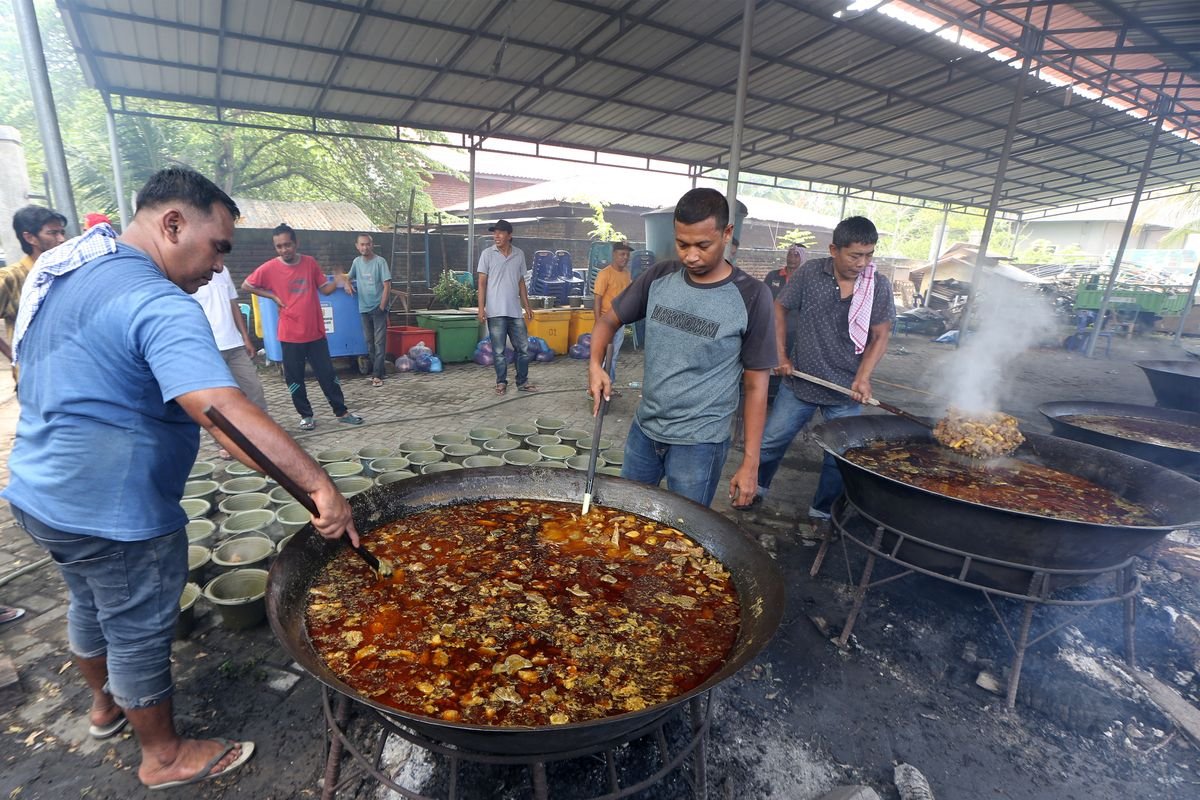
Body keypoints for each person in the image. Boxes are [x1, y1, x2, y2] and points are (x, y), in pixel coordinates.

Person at [2, 167, 358, 790]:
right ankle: (163, 756)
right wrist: (320, 488)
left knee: (89, 602)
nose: (220, 267)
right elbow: (221, 411)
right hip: (113, 511)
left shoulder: (71, 274)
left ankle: (105, 707)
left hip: (40, 492)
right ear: (173, 223)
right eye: (218, 246)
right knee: (137, 627)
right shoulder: (156, 299)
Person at [587, 188, 776, 508]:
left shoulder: (752, 296)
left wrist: (750, 463)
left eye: (703, 245)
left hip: (700, 444)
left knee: (684, 534)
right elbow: (608, 321)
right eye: (682, 244)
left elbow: (757, 385)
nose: (690, 255)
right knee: (625, 517)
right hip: (645, 431)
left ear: (727, 233)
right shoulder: (660, 276)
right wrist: (595, 365)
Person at [747, 216, 894, 525]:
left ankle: (822, 511)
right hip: (800, 382)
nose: (862, 263)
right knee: (772, 441)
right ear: (834, 250)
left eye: (869, 255)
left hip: (845, 391)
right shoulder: (811, 273)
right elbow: (778, 308)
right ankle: (756, 487)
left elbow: (881, 335)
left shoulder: (877, 285)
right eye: (855, 255)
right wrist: (781, 354)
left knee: (838, 458)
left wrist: (863, 377)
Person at [243, 224, 364, 430]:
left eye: (287, 245)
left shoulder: (309, 263)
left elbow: (324, 290)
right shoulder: (270, 268)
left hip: (315, 334)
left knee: (328, 375)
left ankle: (342, 412)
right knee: (295, 379)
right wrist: (272, 296)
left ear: (296, 243)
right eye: (279, 246)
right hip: (289, 335)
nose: (284, 250)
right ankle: (306, 416)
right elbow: (247, 285)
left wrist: (337, 282)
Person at [191, 267, 268, 459]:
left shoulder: (223, 271)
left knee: (254, 390)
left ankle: (261, 436)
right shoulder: (190, 270)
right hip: (208, 347)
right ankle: (226, 442)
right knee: (219, 399)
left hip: (234, 345)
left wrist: (246, 338)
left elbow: (233, 304)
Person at [476, 219, 536, 395]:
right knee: (499, 351)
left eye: (500, 232)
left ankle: (522, 382)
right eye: (494, 232)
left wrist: (527, 306)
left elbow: (521, 283)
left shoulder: (519, 254)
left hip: (515, 311)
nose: (496, 236)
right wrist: (481, 308)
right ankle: (501, 382)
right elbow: (481, 283)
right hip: (495, 311)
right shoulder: (487, 254)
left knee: (523, 349)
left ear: (510, 235)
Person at [1, 206, 67, 365]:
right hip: (34, 377)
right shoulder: (11, 278)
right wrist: (12, 355)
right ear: (30, 238)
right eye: (52, 233)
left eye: (62, 232)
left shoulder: (66, 271)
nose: (61, 239)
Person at [345, 233, 391, 387]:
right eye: (362, 244)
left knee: (379, 342)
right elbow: (348, 276)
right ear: (357, 246)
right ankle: (379, 371)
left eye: (368, 244)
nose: (365, 247)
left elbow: (387, 285)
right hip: (363, 308)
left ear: (372, 245)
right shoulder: (357, 262)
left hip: (378, 308)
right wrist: (347, 283)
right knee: (369, 342)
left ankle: (377, 375)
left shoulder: (380, 262)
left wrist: (382, 307)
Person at [592, 241, 633, 387]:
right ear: (614, 255)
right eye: (622, 254)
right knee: (601, 356)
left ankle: (609, 385)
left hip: (619, 322)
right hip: (605, 321)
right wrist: (598, 323)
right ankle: (594, 386)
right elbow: (597, 299)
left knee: (613, 356)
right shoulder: (604, 274)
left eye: (627, 255)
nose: (625, 257)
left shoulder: (627, 274)